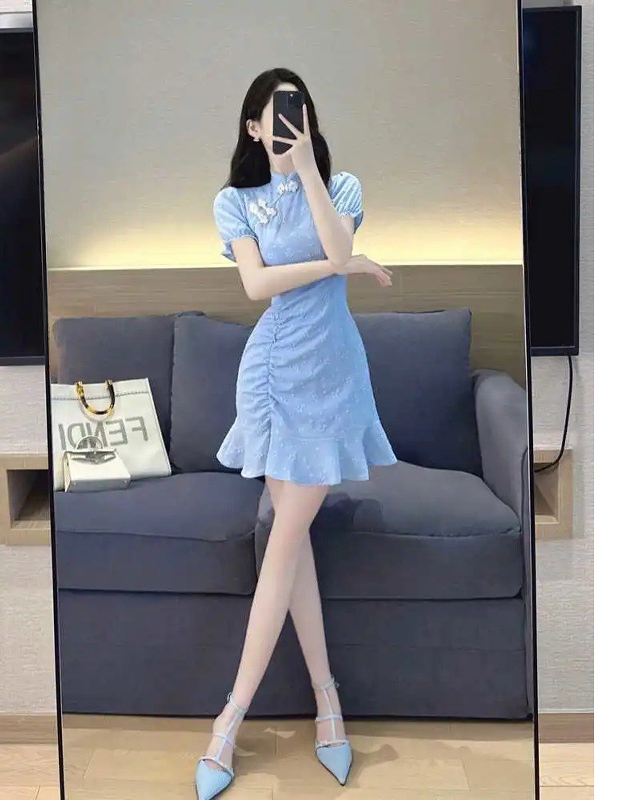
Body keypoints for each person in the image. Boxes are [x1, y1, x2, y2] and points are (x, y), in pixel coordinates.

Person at [195, 67, 397, 800]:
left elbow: (340, 250)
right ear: (252, 128)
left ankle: (231, 718)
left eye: (298, 111)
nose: (286, 124)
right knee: (291, 537)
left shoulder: (341, 188)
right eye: (273, 116)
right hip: (273, 373)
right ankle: (325, 705)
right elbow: (257, 286)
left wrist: (308, 168)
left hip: (332, 376)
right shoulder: (235, 201)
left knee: (286, 538)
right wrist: (339, 265)